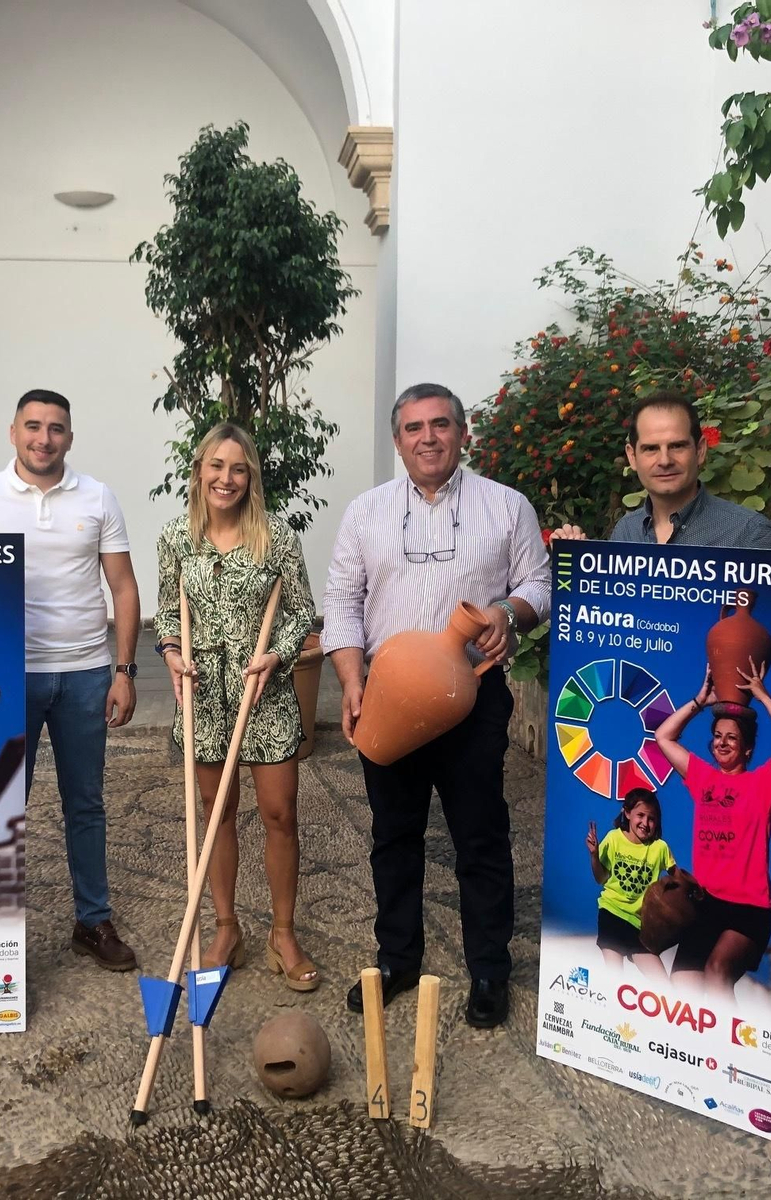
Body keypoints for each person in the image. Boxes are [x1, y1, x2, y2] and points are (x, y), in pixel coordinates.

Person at [324, 382, 550, 1029]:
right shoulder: (367, 513)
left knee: (480, 835)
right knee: (393, 835)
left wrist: (510, 611)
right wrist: (351, 679)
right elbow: (341, 599)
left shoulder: (505, 508)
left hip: (473, 697)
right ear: (398, 441)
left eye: (441, 425)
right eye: (415, 428)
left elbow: (539, 582)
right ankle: (396, 957)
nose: (428, 437)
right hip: (389, 696)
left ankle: (488, 970)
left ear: (462, 433)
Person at [0, 388, 141, 971]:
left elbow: (123, 588)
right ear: (13, 432)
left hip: (83, 673)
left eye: (56, 429)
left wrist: (124, 671)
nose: (43, 438)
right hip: (11, 676)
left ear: (69, 438)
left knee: (86, 802)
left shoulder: (98, 497)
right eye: (33, 426)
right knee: (4, 802)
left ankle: (93, 921)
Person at [154, 423, 320, 991]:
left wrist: (277, 654)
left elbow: (301, 611)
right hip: (204, 693)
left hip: (263, 693)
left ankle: (282, 931)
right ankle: (227, 927)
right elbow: (168, 614)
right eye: (216, 466)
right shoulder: (177, 537)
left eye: (239, 468)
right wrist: (172, 652)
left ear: (251, 477)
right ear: (200, 470)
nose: (226, 479)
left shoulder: (277, 538)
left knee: (280, 814)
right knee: (215, 809)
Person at [653, 658, 771, 1005]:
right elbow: (663, 736)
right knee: (683, 982)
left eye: (732, 738)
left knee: (718, 969)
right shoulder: (702, 778)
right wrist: (699, 701)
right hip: (706, 905)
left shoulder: (764, 783)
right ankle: (699, 1050)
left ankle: (730, 1056)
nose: (722, 743)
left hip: (749, 908)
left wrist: (763, 697)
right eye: (718, 737)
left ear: (748, 749)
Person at [548, 391, 771, 552]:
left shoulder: (748, 534)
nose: (664, 460)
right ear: (632, 457)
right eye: (650, 448)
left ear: (700, 450)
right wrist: (582, 566)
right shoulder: (626, 532)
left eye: (677, 446)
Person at [587, 788, 673, 983]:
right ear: (627, 813)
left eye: (651, 818)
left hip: (640, 925)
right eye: (640, 815)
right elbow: (600, 878)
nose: (645, 823)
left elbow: (678, 879)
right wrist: (594, 855)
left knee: (663, 985)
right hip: (612, 914)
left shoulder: (660, 848)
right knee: (615, 980)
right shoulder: (613, 838)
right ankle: (609, 1013)